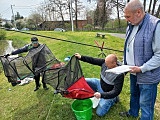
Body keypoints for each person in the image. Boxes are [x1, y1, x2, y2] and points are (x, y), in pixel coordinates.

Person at [119, 0, 160, 120]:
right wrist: (124, 64)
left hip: (148, 75)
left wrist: (142, 69)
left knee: (146, 104)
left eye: (128, 16)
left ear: (138, 12)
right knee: (134, 94)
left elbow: (159, 55)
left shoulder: (155, 25)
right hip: (133, 71)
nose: (126, 19)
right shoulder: (131, 26)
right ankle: (133, 112)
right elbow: (129, 47)